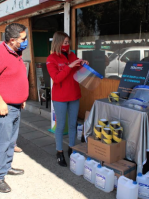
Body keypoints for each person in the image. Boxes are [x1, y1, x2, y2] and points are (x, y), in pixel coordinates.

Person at [0, 23, 28, 193]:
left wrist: (21, 98)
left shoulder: (16, 52)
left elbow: (14, 78)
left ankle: (6, 167)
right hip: (4, 107)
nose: (25, 42)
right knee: (2, 142)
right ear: (12, 40)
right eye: (23, 39)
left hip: (15, 106)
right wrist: (0, 102)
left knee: (10, 141)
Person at [46, 31, 88, 167]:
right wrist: (69, 67)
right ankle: (59, 151)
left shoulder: (72, 55)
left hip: (74, 94)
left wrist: (83, 65)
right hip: (60, 97)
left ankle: (72, 148)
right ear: (58, 43)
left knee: (72, 124)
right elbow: (57, 78)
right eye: (65, 42)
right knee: (61, 125)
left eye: (68, 42)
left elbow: (78, 72)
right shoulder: (51, 59)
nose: (67, 44)